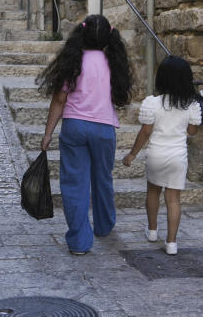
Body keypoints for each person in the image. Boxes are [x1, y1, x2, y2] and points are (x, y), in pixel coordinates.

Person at [37, 14, 132, 255]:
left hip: (75, 127)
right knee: (103, 179)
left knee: (74, 184)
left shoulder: (74, 61)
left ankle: (79, 241)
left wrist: (48, 133)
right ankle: (104, 225)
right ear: (109, 36)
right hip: (104, 129)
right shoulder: (114, 62)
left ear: (81, 33)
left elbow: (59, 99)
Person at [122, 55, 203, 255]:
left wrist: (132, 154)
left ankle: (151, 231)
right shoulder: (191, 105)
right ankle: (172, 243)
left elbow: (146, 132)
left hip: (156, 154)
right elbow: (192, 132)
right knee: (173, 199)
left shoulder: (153, 103)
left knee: (153, 192)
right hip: (178, 157)